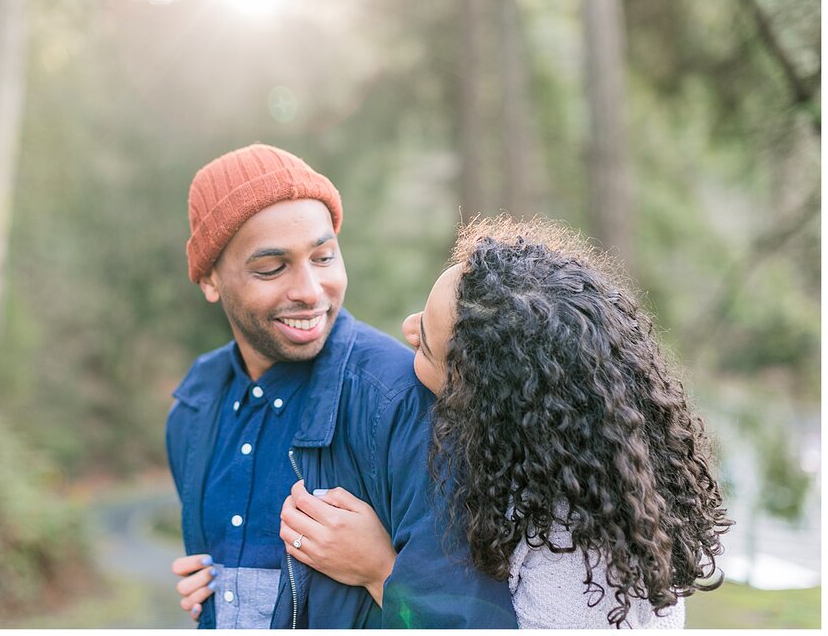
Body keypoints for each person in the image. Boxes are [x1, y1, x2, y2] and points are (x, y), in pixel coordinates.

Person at [280, 215, 733, 628]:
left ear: (478, 398)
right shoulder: (602, 478)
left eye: (426, 347)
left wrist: (378, 569)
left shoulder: (574, 556)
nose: (407, 327)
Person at [165, 144, 518, 629]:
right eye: (272, 268)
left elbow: (477, 618)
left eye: (324, 256)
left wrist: (380, 573)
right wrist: (225, 588)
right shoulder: (194, 410)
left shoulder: (399, 398)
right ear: (209, 279)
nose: (309, 291)